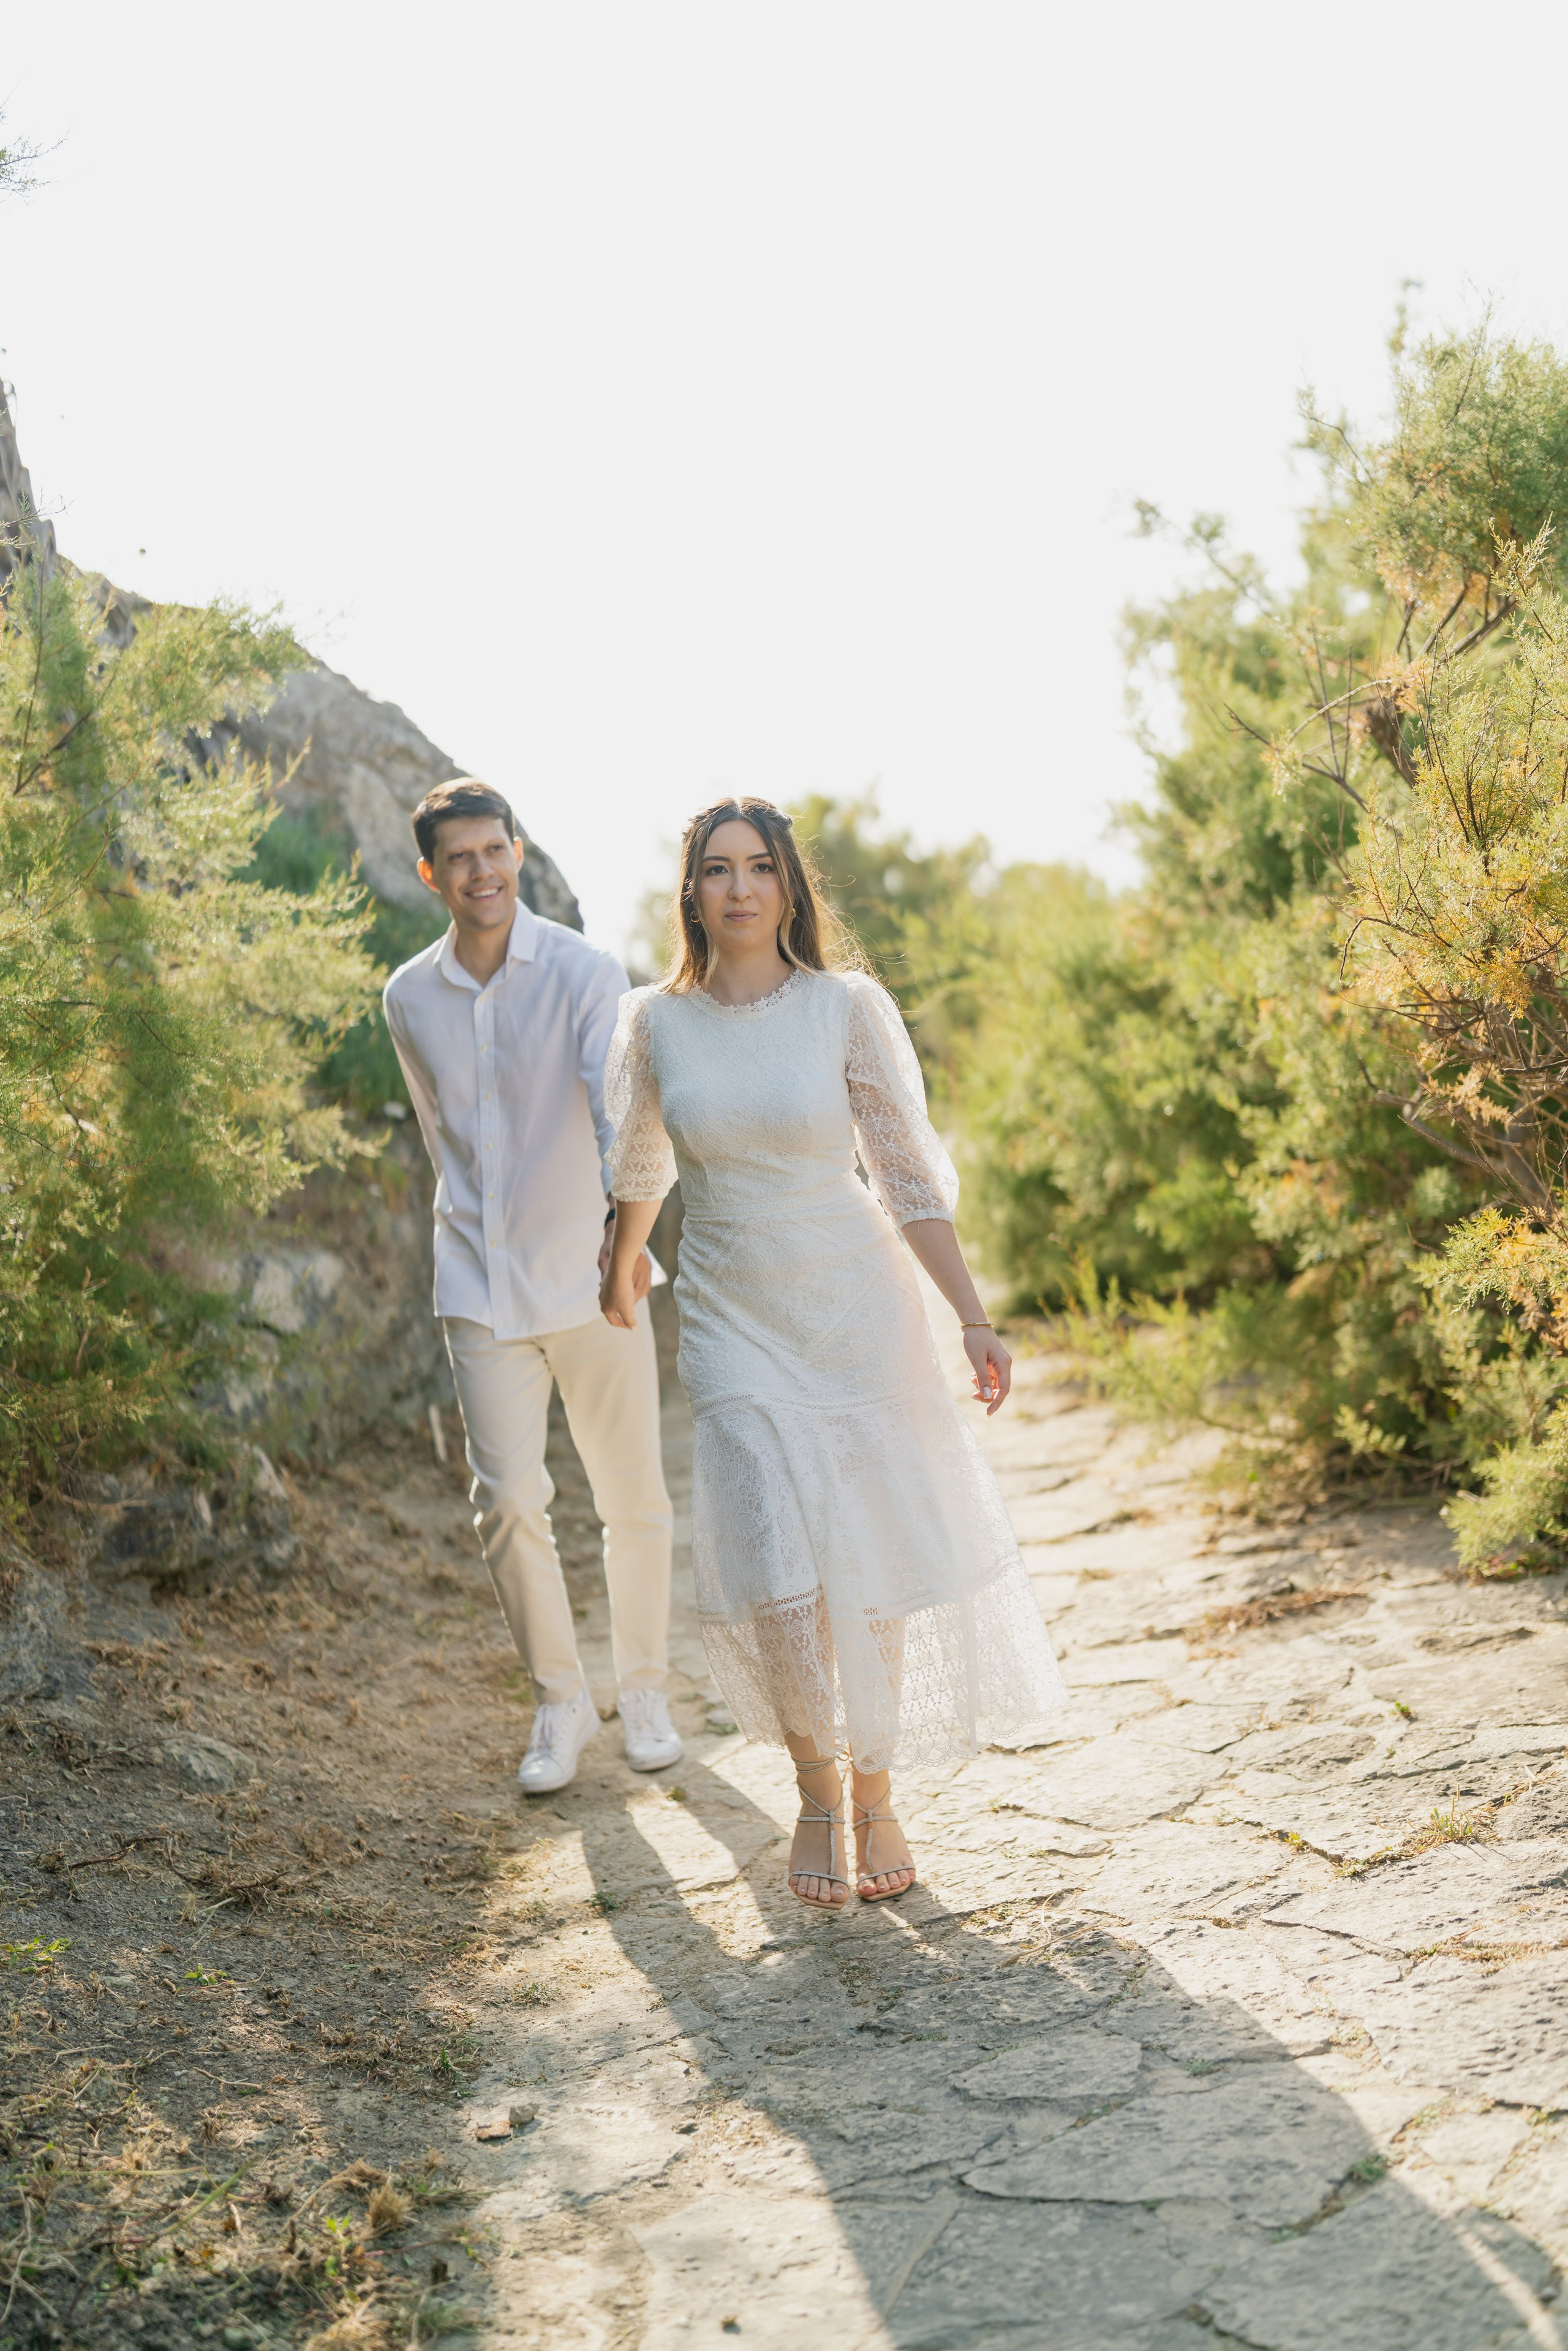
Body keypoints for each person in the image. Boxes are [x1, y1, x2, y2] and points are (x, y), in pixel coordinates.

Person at [599, 797, 1065, 1907]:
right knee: (775, 1562)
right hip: (730, 1317)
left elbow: (904, 1174)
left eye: (763, 867)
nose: (743, 888)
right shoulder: (653, 1023)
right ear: (693, 894)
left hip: (855, 1307)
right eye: (720, 870)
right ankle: (816, 1790)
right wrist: (620, 1259)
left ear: (791, 887)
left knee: (870, 1557)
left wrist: (971, 1313)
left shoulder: (845, 1007)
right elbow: (643, 1161)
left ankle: (876, 1785)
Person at [383, 777, 680, 1793]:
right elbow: (441, 1138)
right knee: (507, 1499)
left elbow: (622, 1114)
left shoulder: (584, 970)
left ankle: (644, 1689)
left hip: (596, 1273)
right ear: (433, 874)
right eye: (459, 858)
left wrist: (622, 1243)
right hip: (477, 1278)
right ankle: (561, 1703)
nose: (482, 871)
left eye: (493, 850)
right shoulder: (407, 995)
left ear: (516, 851)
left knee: (632, 1495)